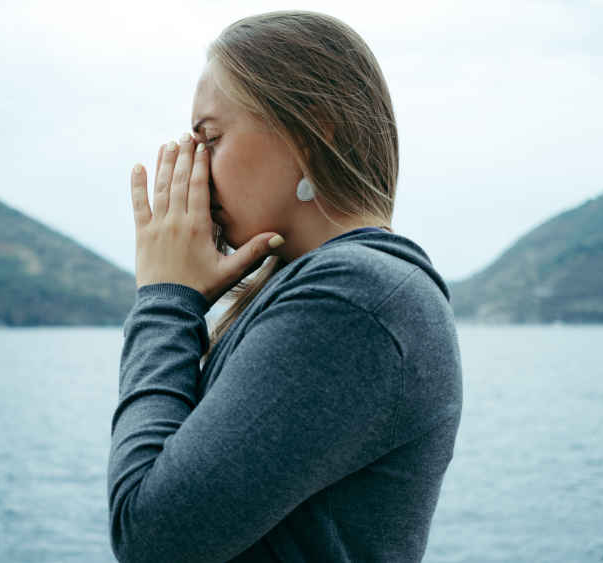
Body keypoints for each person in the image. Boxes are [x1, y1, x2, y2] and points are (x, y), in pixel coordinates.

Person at [108, 10, 462, 563]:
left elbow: (151, 540)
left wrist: (164, 298)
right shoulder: (342, 291)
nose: (194, 168)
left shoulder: (354, 299)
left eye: (211, 137)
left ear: (311, 129)